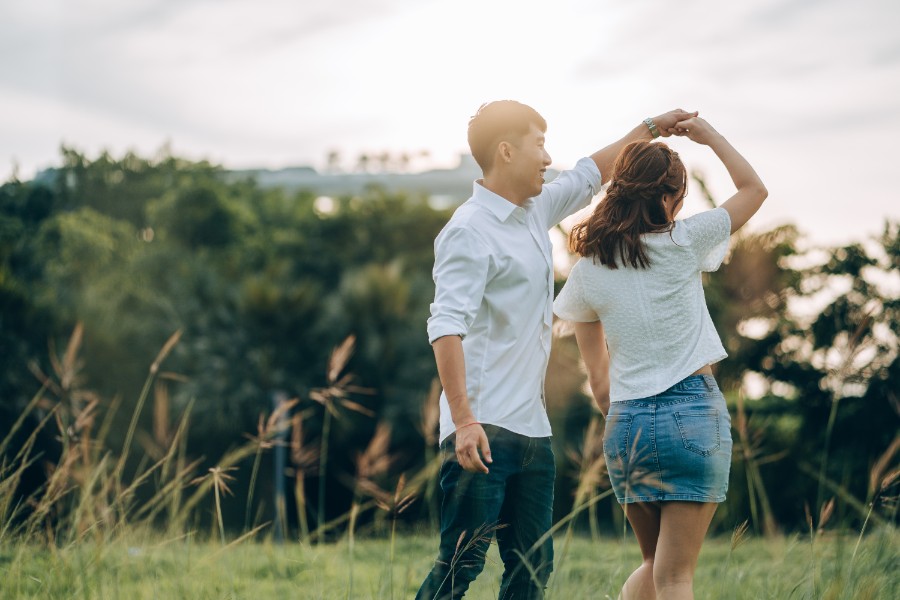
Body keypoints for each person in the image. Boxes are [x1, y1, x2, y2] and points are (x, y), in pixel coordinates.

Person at [417, 100, 698, 600]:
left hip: (533, 430)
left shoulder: (535, 209)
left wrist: (653, 128)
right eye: (539, 145)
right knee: (461, 565)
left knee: (533, 568)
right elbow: (446, 328)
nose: (548, 158)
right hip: (481, 429)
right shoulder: (467, 230)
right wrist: (463, 421)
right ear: (506, 151)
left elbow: (594, 172)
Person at [553, 116, 768, 600]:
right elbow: (754, 189)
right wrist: (709, 135)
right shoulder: (685, 240)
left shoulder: (590, 266)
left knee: (654, 568)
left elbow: (600, 381)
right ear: (669, 198)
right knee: (673, 577)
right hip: (692, 411)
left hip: (627, 423)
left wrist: (617, 407)